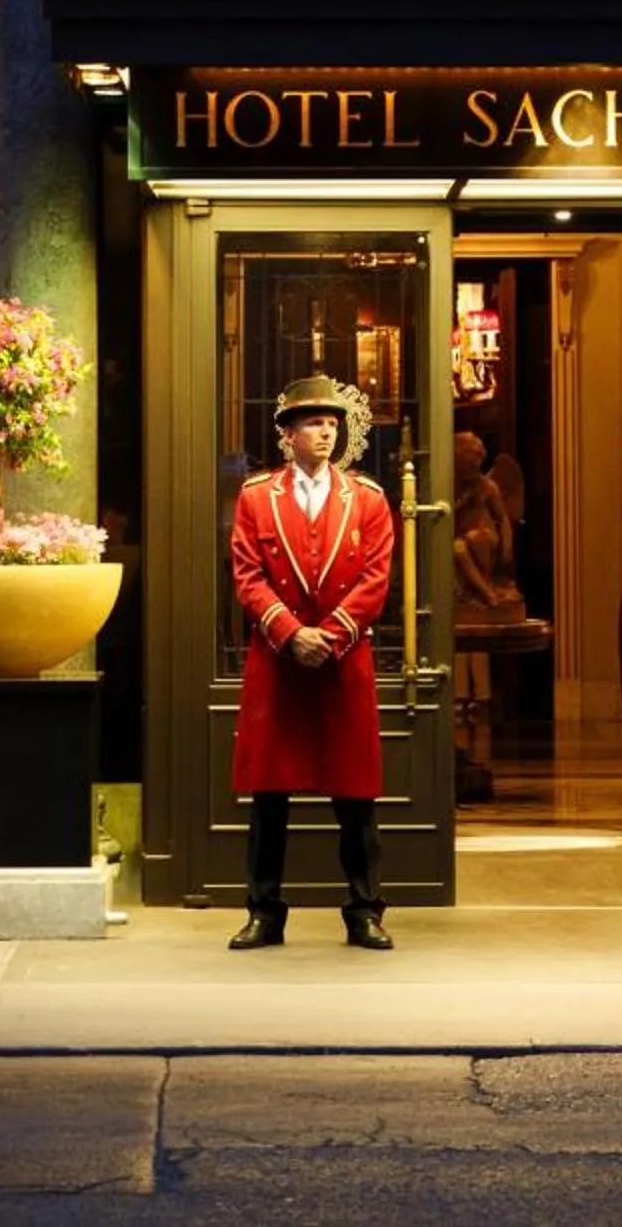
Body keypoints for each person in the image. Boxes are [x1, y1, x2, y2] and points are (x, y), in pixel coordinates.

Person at [225, 374, 396, 953]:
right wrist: (290, 632)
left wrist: (332, 634)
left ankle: (365, 911)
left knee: (355, 797)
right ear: (288, 434)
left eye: (331, 423)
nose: (326, 432)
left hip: (343, 663)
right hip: (279, 662)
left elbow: (376, 579)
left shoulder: (368, 499)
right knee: (270, 797)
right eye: (313, 423)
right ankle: (264, 913)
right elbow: (247, 576)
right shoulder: (255, 498)